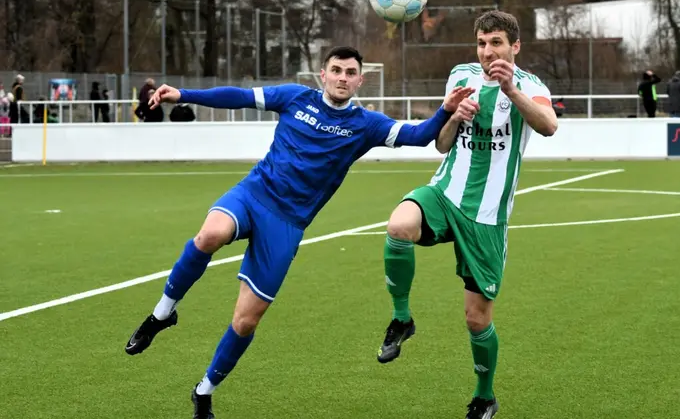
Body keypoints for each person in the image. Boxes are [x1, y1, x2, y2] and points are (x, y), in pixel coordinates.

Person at [123, 46, 475, 418]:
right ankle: (162, 315)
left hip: (288, 223)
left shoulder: (366, 124)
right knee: (210, 234)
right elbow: (239, 97)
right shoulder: (294, 97)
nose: (342, 77)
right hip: (253, 194)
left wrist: (446, 109)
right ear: (322, 74)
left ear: (360, 80)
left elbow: (420, 136)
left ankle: (204, 390)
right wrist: (184, 94)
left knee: (245, 321)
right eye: (336, 70)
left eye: (350, 72)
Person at [376, 11, 558, 419]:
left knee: (476, 320)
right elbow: (442, 146)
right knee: (399, 224)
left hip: (488, 215)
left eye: (495, 43)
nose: (487, 51)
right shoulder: (461, 76)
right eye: (481, 43)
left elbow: (548, 126)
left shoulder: (531, 86)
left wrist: (510, 89)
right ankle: (401, 318)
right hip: (446, 191)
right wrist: (452, 117)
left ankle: (484, 396)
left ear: (515, 46)